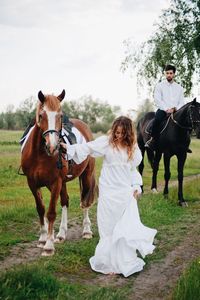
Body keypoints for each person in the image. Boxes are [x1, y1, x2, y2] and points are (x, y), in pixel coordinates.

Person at [61, 116, 157, 277]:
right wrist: (68, 148)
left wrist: (136, 187)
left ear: (128, 133)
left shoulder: (133, 148)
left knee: (124, 226)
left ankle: (123, 260)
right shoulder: (106, 142)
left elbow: (133, 170)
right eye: (116, 132)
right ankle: (108, 261)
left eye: (122, 133)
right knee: (108, 226)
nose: (118, 136)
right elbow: (88, 148)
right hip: (108, 191)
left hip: (124, 192)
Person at [145, 64, 187, 151]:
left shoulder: (179, 88)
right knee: (157, 120)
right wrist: (167, 109)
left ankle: (185, 144)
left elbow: (182, 102)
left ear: (174, 74)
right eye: (167, 73)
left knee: (186, 122)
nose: (169, 75)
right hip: (163, 110)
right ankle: (153, 140)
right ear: (165, 74)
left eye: (170, 73)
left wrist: (175, 109)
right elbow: (157, 99)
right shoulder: (160, 86)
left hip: (176, 111)